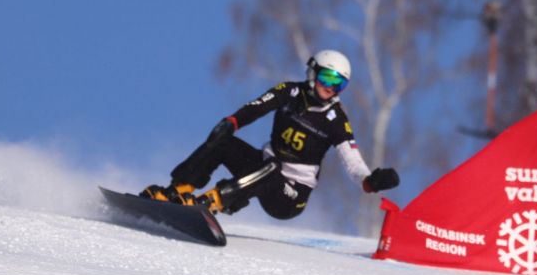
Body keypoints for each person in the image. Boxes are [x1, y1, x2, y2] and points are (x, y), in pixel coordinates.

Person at [141, 49, 400, 219]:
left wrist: (370, 181)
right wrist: (231, 123)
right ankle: (176, 191)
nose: (330, 88)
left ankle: (209, 204)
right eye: (327, 78)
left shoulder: (336, 119)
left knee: (272, 167)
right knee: (223, 143)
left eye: (339, 84)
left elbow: (352, 160)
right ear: (313, 72)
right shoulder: (290, 92)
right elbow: (257, 107)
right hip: (263, 170)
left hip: (290, 196)